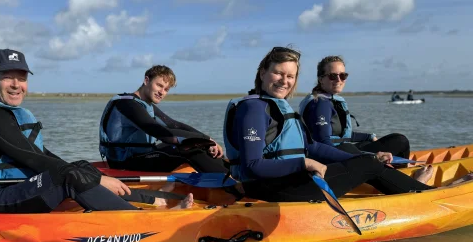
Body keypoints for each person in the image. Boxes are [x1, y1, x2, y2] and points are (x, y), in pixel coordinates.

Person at [0, 49, 193, 213]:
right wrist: (96, 179)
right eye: (8, 77)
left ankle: (153, 200)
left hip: (6, 187)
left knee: (80, 167)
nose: (17, 85)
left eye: (21, 77)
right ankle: (142, 220)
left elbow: (39, 152)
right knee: (70, 176)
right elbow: (33, 159)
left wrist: (88, 173)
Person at [222, 46, 435, 203]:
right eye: (278, 73)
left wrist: (359, 158)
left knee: (367, 162)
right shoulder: (253, 109)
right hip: (270, 189)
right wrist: (304, 163)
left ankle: (411, 189)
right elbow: (253, 165)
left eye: (290, 76)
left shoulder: (276, 106)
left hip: (289, 180)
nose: (284, 81)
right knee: (369, 165)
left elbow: (313, 146)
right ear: (262, 73)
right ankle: (425, 196)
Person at [98, 65, 228, 173]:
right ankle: (232, 186)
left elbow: (173, 125)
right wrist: (204, 140)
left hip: (141, 156)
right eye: (159, 85)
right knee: (191, 148)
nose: (162, 92)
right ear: (146, 80)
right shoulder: (126, 104)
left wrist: (208, 139)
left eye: (166, 89)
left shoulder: (144, 104)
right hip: (125, 163)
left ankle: (230, 172)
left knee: (198, 144)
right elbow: (159, 131)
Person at [299, 55, 412, 160]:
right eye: (333, 76)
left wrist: (369, 137)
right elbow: (323, 142)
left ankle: (399, 169)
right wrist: (369, 157)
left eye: (343, 75)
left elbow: (343, 136)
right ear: (321, 79)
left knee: (397, 139)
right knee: (401, 141)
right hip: (335, 157)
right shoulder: (320, 104)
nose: (339, 80)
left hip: (342, 148)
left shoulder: (331, 100)